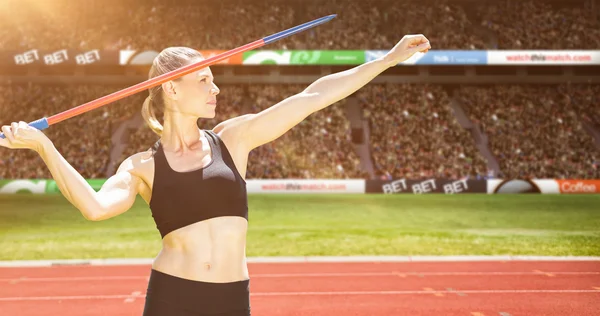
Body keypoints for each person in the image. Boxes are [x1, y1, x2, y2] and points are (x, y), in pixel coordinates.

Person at [0, 35, 430, 315]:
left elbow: (312, 97)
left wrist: (388, 60)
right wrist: (44, 146)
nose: (216, 89)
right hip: (173, 298)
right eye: (204, 81)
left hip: (231, 298)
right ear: (171, 88)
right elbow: (94, 208)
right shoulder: (141, 166)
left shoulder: (234, 139)